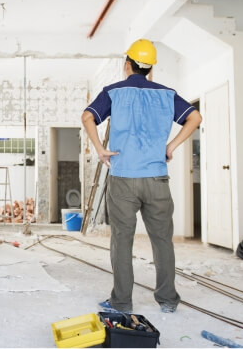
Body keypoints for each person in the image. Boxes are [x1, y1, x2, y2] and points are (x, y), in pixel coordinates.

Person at [81, 38, 202, 314]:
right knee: (162, 240)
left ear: (127, 65)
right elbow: (194, 118)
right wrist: (170, 147)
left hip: (123, 178)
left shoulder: (113, 92)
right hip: (157, 178)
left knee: (122, 240)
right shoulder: (167, 94)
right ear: (151, 69)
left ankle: (122, 302)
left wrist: (100, 149)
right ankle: (168, 301)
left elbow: (87, 117)